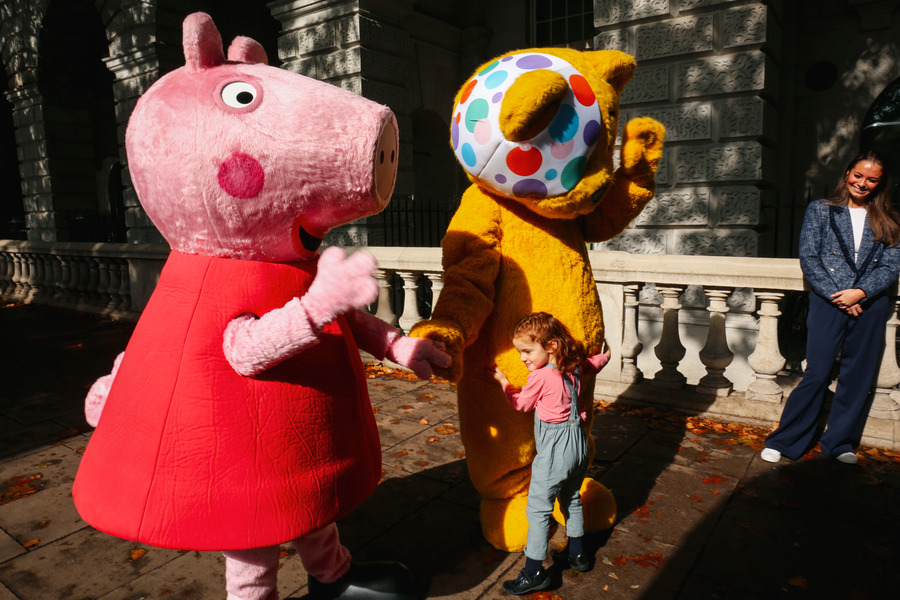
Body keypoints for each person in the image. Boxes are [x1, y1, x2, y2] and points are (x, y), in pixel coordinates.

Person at [762, 150, 900, 465]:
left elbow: (891, 267)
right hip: (828, 302)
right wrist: (841, 295)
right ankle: (784, 441)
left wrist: (861, 292)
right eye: (858, 175)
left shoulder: (890, 220)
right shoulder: (820, 210)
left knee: (858, 376)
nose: (863, 183)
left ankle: (840, 444)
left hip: (870, 305)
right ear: (847, 174)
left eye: (871, 179)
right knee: (818, 372)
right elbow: (810, 258)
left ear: (880, 184)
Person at [491, 312, 610, 595]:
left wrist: (503, 381)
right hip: (578, 443)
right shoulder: (576, 366)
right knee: (571, 498)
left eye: (527, 350)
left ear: (552, 345)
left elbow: (521, 405)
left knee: (538, 510)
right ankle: (578, 555)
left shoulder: (541, 377)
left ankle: (533, 572)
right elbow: (595, 364)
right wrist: (607, 354)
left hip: (555, 450)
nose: (523, 357)